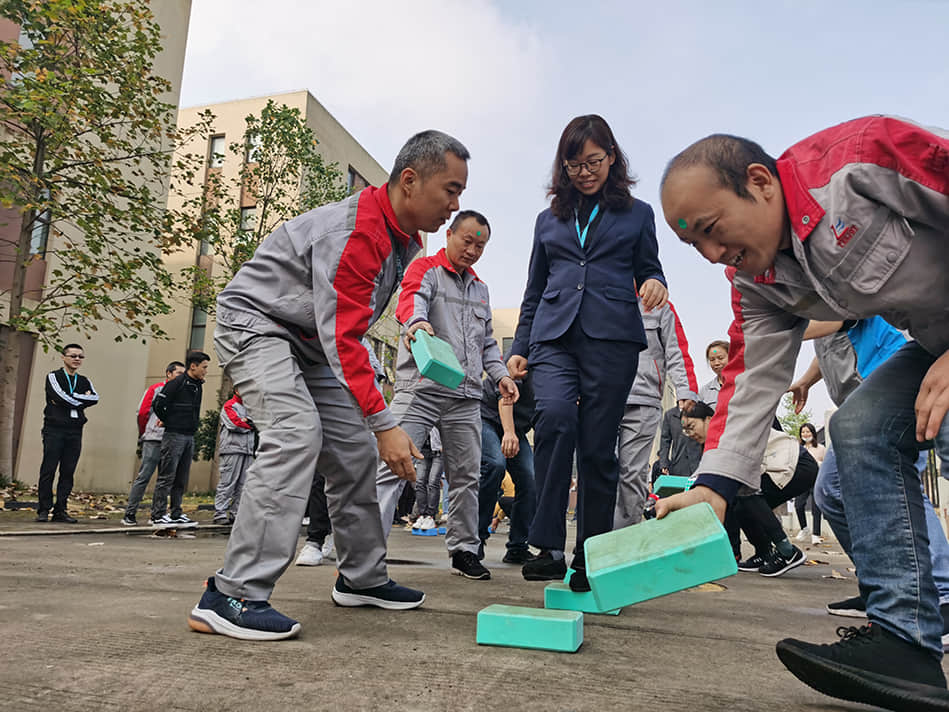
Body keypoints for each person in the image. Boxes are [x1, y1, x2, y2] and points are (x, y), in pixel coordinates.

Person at [657, 117, 949, 710]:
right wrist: (713, 485)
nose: (715, 256)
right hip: (933, 340)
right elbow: (752, 380)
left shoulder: (862, 163)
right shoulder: (756, 279)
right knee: (861, 427)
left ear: (761, 182)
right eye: (697, 247)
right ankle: (907, 646)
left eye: (714, 230)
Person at [188, 130, 468, 641]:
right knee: (296, 432)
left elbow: (363, 320)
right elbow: (344, 337)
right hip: (257, 323)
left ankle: (362, 578)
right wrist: (385, 422)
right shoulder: (358, 231)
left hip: (309, 341)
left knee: (354, 454)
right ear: (410, 181)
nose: (455, 204)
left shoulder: (405, 239)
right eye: (450, 190)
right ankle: (231, 596)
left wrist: (413, 332)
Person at [508, 114, 667, 592]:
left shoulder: (637, 214)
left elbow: (650, 267)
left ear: (612, 158)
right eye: (574, 165)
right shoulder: (547, 220)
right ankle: (548, 545)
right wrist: (519, 347)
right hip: (554, 337)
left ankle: (590, 554)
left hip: (613, 338)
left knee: (599, 450)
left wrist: (656, 282)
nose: (585, 172)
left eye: (593, 161)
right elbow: (534, 289)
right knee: (555, 417)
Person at [788, 317, 949, 650]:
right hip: (857, 399)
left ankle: (942, 593)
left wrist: (775, 331)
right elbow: (827, 341)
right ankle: (888, 587)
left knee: (899, 485)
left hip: (891, 371)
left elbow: (837, 316)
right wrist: (806, 380)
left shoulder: (819, 284)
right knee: (829, 492)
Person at [375, 209, 517, 582]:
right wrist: (418, 322)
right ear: (449, 235)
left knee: (467, 475)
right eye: (467, 240)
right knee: (390, 464)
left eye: (480, 245)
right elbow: (411, 302)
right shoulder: (426, 270)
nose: (472, 250)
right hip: (420, 387)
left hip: (466, 394)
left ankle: (464, 550)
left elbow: (487, 343)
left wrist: (500, 375)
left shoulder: (481, 289)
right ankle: (366, 551)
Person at [680, 402, 816, 576]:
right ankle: (764, 553)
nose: (690, 434)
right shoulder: (713, 443)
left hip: (797, 465)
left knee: (745, 494)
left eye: (691, 427)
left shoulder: (729, 431)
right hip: (779, 468)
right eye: (686, 431)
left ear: (708, 419)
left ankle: (788, 552)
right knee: (739, 505)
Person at [614, 299, 697, 528]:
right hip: (603, 398)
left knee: (631, 472)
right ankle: (595, 540)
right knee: (601, 468)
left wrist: (685, 390)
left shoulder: (659, 305)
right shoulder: (597, 296)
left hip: (643, 398)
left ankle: (624, 539)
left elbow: (676, 350)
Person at [478, 353, 537, 564]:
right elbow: (506, 396)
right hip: (488, 417)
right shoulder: (524, 361)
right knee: (495, 464)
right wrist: (509, 432)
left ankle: (518, 547)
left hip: (517, 428)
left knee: (530, 479)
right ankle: (475, 540)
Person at [35, 343, 99, 523]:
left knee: (68, 471)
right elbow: (57, 395)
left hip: (75, 431)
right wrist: (80, 399)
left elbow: (94, 397)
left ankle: (60, 510)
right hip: (54, 429)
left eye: (80, 356)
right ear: (63, 357)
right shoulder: (53, 376)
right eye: (73, 355)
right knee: (48, 469)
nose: (77, 359)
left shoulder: (84, 380)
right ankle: (43, 509)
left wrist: (72, 399)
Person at [149, 350, 208, 527]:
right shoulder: (177, 383)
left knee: (181, 477)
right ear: (193, 366)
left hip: (189, 435)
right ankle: (158, 514)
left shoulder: (198, 384)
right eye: (204, 367)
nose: (205, 371)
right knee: (167, 476)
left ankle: (176, 513)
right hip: (174, 434)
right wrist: (168, 420)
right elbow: (159, 404)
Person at [122, 361, 185, 526]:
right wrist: (145, 432)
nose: (181, 377)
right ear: (168, 373)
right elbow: (143, 412)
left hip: (172, 439)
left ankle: (157, 514)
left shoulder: (182, 391)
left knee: (165, 479)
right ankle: (130, 513)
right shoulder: (156, 389)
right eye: (179, 373)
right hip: (154, 439)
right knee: (144, 476)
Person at [213, 389, 255, 525]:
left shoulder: (251, 407)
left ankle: (236, 513)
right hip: (232, 449)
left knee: (243, 484)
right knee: (227, 482)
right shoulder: (229, 405)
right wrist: (249, 424)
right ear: (236, 390)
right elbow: (235, 423)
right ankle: (219, 513)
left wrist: (248, 422)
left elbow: (258, 423)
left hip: (248, 450)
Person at [793, 422, 825, 545]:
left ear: (813, 433)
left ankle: (816, 534)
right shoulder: (798, 448)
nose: (805, 434)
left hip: (817, 480)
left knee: (816, 508)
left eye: (808, 431)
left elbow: (826, 464)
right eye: (803, 432)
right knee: (798, 505)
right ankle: (804, 528)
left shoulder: (821, 448)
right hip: (802, 481)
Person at [657, 399, 703, 480]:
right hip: (678, 463)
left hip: (697, 463)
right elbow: (665, 440)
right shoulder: (670, 415)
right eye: (681, 399)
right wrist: (664, 463)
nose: (683, 402)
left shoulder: (700, 413)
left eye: (685, 399)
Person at [411, 427, 443, 531]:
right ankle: (422, 515)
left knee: (433, 482)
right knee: (419, 482)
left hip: (439, 449)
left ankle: (431, 516)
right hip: (422, 449)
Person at [698, 340, 728, 406]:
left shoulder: (743, 383)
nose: (716, 363)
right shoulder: (704, 392)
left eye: (720, 358)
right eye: (712, 360)